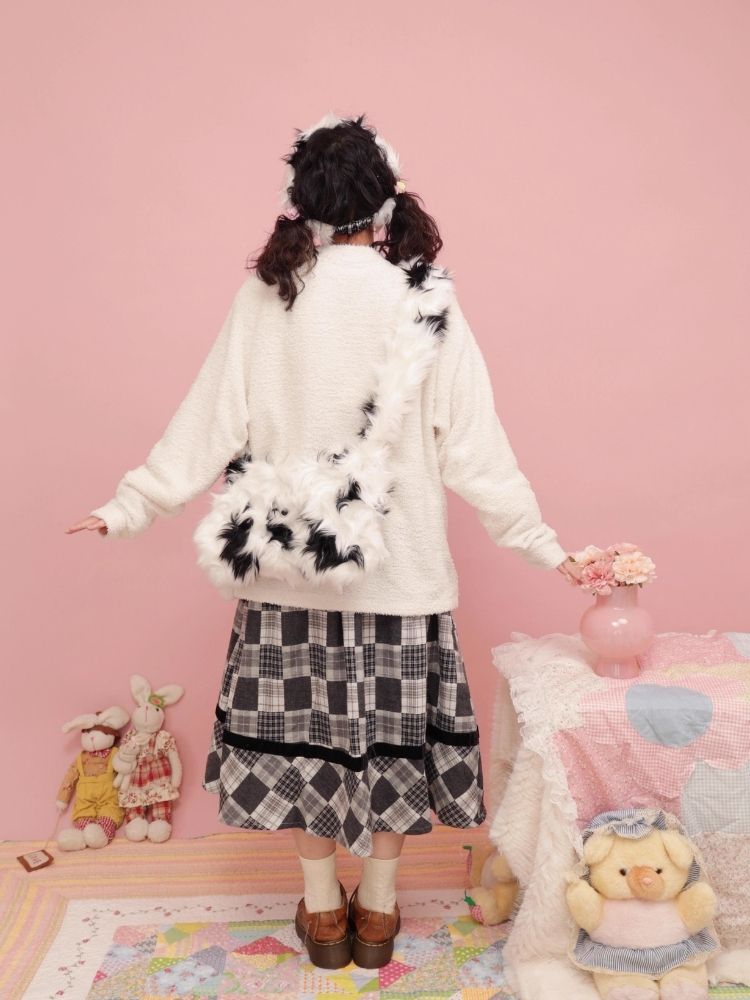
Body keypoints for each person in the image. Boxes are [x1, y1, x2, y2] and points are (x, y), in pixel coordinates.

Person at [67, 112, 582, 970]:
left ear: (299, 202)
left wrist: (131, 504)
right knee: (391, 753)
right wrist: (543, 545)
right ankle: (376, 911)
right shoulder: (423, 299)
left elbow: (208, 419)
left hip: (286, 577)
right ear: (385, 202)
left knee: (299, 751)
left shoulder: (268, 296)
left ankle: (321, 911)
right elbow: (475, 448)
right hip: (401, 580)